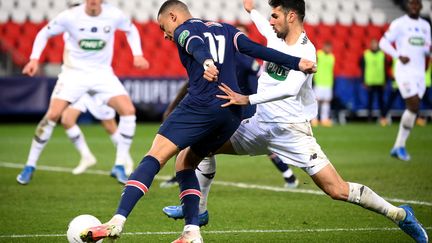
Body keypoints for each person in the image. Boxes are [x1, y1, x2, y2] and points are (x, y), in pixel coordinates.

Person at [163, 0, 428, 242]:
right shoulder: (274, 37)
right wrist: (251, 10)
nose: (271, 21)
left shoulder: (307, 51)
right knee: (199, 148)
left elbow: (290, 89)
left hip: (291, 130)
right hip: (257, 124)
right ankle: (199, 211)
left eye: (275, 15)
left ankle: (400, 215)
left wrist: (249, 99)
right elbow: (261, 28)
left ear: (291, 16)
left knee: (336, 189)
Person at [80, 0, 316, 242]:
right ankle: (191, 231)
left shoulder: (184, 29)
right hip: (230, 111)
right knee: (186, 162)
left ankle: (117, 221)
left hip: (201, 104)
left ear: (173, 16)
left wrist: (205, 62)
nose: (165, 35)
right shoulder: (226, 29)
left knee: (154, 156)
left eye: (164, 27)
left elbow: (195, 45)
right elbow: (256, 49)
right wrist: (296, 63)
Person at [16, 0, 149, 185]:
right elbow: (43, 33)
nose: (93, 1)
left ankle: (119, 165)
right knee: (53, 115)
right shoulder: (70, 16)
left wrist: (138, 53)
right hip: (74, 74)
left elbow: (131, 29)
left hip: (102, 73)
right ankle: (29, 166)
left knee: (128, 111)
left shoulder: (114, 14)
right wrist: (33, 59)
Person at [160, 24, 299, 191]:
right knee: (199, 142)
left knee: (261, 141)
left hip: (244, 106)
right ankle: (185, 182)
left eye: (243, 36)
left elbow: (258, 82)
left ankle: (288, 174)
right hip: (227, 105)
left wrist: (253, 101)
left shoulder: (247, 61)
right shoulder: (222, 57)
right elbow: (195, 82)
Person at [379, 0, 431, 161]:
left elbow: (428, 48)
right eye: (411, 4)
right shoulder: (399, 24)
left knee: (413, 109)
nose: (414, 6)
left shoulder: (425, 26)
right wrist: (398, 55)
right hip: (404, 72)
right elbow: (383, 42)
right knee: (414, 104)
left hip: (420, 74)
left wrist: (427, 58)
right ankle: (399, 146)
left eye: (417, 4)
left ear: (421, 7)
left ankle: (398, 147)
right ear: (407, 6)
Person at [61, 93, 134, 176]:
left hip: (97, 89)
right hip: (81, 88)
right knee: (67, 120)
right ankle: (87, 157)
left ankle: (126, 160)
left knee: (110, 126)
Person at [360, 39, 388, 125]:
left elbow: (385, 69)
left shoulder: (382, 55)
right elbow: (363, 68)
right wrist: (364, 80)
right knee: (370, 101)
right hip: (370, 81)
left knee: (381, 101)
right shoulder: (366, 54)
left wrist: (385, 80)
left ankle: (383, 118)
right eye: (373, 44)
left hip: (380, 81)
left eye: (375, 44)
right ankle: (369, 118)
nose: (374, 46)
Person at [312, 41, 335, 127]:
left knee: (326, 102)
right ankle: (314, 119)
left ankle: (324, 119)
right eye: (327, 47)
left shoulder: (332, 57)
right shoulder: (319, 54)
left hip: (328, 82)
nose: (328, 49)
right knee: (317, 101)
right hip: (319, 82)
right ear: (324, 47)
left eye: (329, 48)